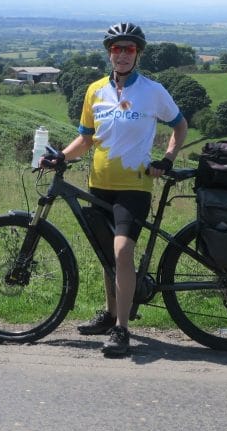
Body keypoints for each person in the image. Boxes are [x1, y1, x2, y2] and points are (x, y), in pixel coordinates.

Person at [42, 22, 187, 356]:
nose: (122, 55)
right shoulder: (95, 90)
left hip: (134, 188)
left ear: (138, 54)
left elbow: (180, 125)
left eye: (129, 49)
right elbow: (86, 138)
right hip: (98, 185)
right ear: (109, 52)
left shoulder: (152, 91)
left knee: (122, 251)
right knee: (107, 253)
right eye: (116, 49)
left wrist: (166, 159)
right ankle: (110, 315)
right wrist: (62, 156)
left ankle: (122, 329)